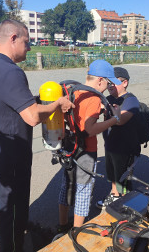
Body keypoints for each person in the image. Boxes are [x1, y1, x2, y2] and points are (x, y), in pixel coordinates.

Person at [0, 19, 74, 252]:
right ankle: (12, 246)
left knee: (14, 205)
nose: (30, 47)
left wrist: (34, 100)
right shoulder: (11, 71)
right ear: (12, 38)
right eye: (26, 41)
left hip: (1, 150)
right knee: (10, 208)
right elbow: (32, 117)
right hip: (11, 155)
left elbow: (11, 101)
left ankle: (20, 232)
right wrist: (56, 104)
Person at [57, 59, 122, 234]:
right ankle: (77, 231)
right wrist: (113, 120)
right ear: (100, 80)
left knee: (67, 184)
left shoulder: (74, 91)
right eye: (107, 82)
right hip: (86, 150)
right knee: (84, 191)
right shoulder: (93, 97)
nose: (107, 87)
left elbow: (78, 118)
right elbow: (90, 129)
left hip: (69, 146)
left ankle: (62, 225)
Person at [96, 67, 140, 209]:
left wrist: (108, 108)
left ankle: (123, 203)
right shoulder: (108, 98)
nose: (110, 86)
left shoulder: (131, 100)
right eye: (108, 83)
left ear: (125, 82)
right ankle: (115, 195)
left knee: (122, 179)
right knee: (112, 174)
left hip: (125, 148)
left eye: (113, 83)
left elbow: (120, 120)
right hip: (110, 145)